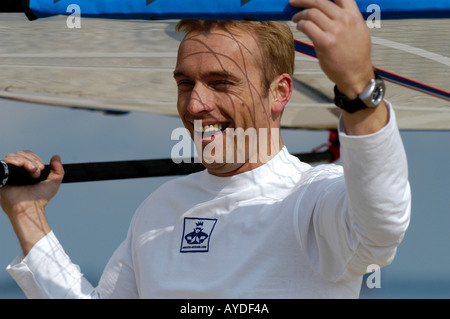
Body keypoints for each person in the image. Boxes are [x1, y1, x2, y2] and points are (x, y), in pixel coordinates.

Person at [1, 0, 410, 298]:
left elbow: (380, 229)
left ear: (279, 92)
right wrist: (26, 213)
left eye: (220, 82)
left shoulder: (315, 198)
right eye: (185, 83)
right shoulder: (161, 208)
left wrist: (358, 89)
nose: (195, 105)